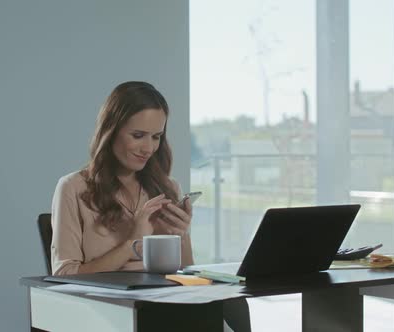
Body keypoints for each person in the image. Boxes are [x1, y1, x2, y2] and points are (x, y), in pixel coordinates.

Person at [50, 81, 250, 332]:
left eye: (156, 137)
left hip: (163, 303)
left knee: (232, 303)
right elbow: (63, 275)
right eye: (138, 136)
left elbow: (185, 273)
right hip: (109, 309)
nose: (148, 149)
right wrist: (132, 242)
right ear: (110, 131)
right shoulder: (72, 188)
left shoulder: (167, 188)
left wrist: (181, 235)